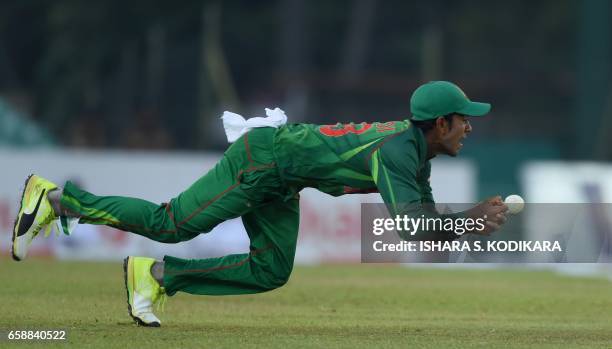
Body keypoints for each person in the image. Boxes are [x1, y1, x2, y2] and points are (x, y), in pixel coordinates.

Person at [12, 81, 508, 327]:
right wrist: (470, 221)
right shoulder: (400, 153)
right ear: (440, 124)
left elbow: (423, 222)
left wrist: (467, 225)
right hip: (264, 161)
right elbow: (414, 231)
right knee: (172, 223)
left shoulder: (415, 153)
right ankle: (57, 199)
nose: (470, 126)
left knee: (271, 270)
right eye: (465, 119)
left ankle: (157, 278)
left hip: (283, 177)